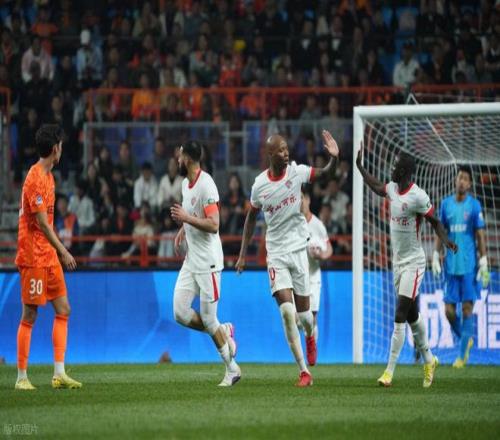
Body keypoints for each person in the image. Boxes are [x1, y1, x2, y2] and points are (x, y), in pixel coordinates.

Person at [236, 130, 339, 387]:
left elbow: (326, 173)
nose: (286, 152)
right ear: (270, 155)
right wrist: (242, 254)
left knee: (305, 318)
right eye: (280, 150)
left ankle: (310, 335)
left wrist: (334, 158)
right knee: (286, 311)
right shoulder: (259, 186)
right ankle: (304, 371)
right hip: (276, 255)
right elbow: (251, 219)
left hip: (298, 251)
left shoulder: (297, 172)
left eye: (286, 148)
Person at [356, 143, 457, 388]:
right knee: (411, 315)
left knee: (399, 314)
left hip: (414, 263)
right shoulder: (392, 189)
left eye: (395, 166)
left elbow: (434, 221)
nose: (391, 169)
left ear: (404, 171)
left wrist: (445, 242)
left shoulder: (418, 196)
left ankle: (389, 372)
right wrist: (359, 167)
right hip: (398, 263)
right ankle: (429, 360)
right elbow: (376, 186)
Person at [14, 124, 81, 390]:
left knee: (63, 309)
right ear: (55, 149)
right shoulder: (34, 179)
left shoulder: (49, 177)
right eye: (61, 145)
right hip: (33, 255)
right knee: (30, 314)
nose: (62, 149)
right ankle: (21, 377)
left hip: (48, 255)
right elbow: (42, 223)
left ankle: (59, 373)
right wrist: (63, 250)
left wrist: (55, 252)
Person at [170, 140, 240, 387]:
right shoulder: (185, 185)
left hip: (208, 263)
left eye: (180, 156)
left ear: (188, 159)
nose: (178, 160)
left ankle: (232, 369)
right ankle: (224, 331)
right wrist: (183, 229)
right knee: (180, 311)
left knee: (210, 320)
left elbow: (214, 224)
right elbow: (193, 214)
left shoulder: (206, 185)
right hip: (191, 261)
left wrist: (186, 218)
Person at [432, 167, 489, 368]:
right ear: (455, 181)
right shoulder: (446, 204)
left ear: (470, 184)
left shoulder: (474, 205)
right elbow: (441, 230)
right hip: (451, 265)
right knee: (449, 311)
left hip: (468, 265)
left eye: (465, 179)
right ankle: (466, 339)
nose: (462, 181)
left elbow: (480, 234)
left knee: (466, 309)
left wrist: (483, 260)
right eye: (460, 178)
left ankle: (461, 356)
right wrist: (435, 254)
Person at [300, 188, 333, 350]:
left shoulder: (318, 225)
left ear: (308, 200)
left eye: (302, 198)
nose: (300, 202)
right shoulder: (294, 224)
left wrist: (322, 255)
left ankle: (312, 348)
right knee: (298, 318)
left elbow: (329, 248)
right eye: (297, 199)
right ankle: (308, 336)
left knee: (313, 315)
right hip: (297, 275)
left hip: (313, 275)